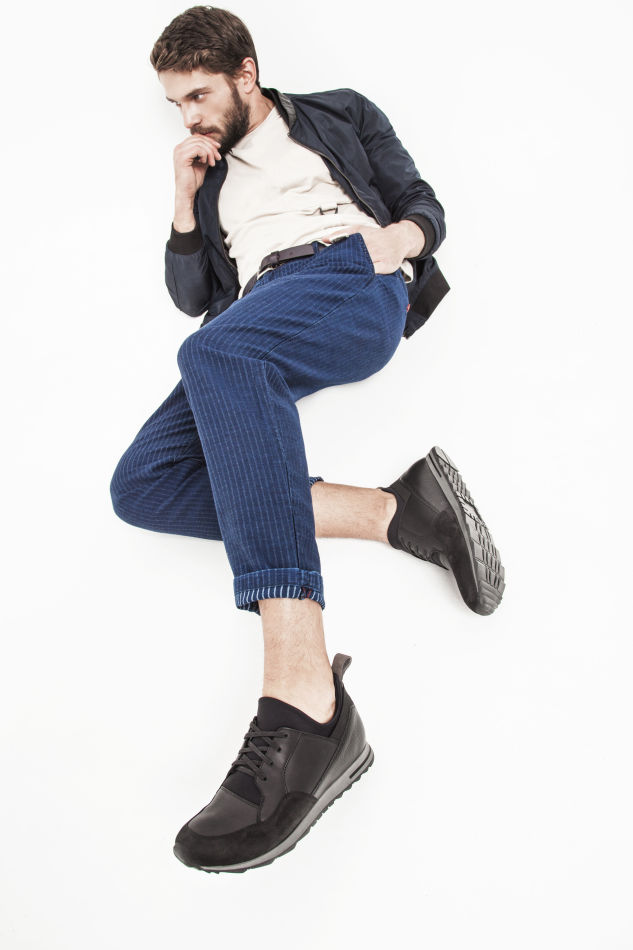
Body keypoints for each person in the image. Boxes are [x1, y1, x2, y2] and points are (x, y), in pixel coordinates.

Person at [109, 5, 505, 875]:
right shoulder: (208, 174)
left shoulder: (338, 112)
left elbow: (421, 202)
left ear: (244, 73)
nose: (187, 116)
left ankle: (303, 698)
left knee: (214, 351)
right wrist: (182, 197)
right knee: (142, 486)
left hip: (348, 278)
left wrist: (392, 244)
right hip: (257, 314)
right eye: (175, 103)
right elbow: (191, 295)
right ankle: (396, 511)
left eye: (198, 95)